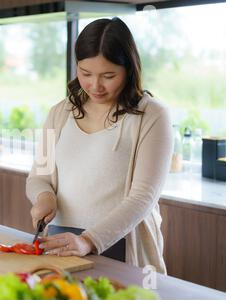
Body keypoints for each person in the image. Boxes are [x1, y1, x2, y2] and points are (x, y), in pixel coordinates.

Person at [26, 17, 173, 274]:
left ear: (129, 69)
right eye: (85, 73)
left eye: (108, 76)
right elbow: (39, 175)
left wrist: (88, 240)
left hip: (122, 247)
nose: (95, 85)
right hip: (63, 246)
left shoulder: (152, 115)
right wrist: (44, 197)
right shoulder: (59, 112)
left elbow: (143, 197)